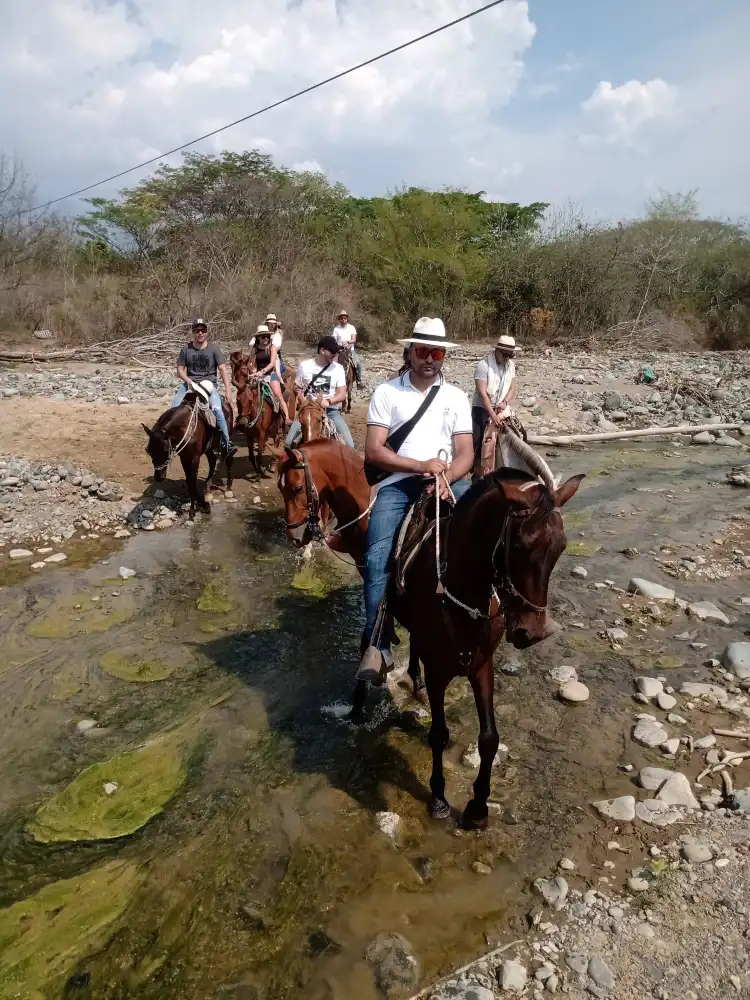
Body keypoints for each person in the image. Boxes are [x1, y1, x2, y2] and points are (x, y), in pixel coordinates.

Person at [359, 317, 473, 679]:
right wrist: (419, 465)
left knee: (486, 530)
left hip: (447, 482)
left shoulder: (456, 396)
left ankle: (488, 613)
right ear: (409, 352)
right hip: (399, 483)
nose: (429, 358)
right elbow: (374, 451)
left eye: (436, 352)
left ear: (443, 356)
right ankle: (378, 645)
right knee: (376, 557)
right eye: (422, 351)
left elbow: (466, 454)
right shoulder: (387, 392)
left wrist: (448, 476)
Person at [172, 318, 237, 457]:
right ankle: (171, 442)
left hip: (209, 385)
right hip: (190, 384)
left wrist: (228, 391)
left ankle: (227, 442)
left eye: (203, 330)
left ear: (207, 332)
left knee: (217, 410)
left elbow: (223, 369)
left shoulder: (214, 349)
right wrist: (188, 380)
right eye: (197, 330)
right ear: (193, 332)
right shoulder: (186, 349)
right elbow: (180, 369)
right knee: (174, 408)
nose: (200, 333)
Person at [285, 335, 355, 448]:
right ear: (322, 350)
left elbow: (342, 394)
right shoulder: (305, 366)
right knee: (288, 443)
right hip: (308, 409)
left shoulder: (338, 369)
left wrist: (329, 401)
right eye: (332, 352)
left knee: (350, 446)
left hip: (331, 411)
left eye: (336, 352)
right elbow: (297, 388)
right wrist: (300, 395)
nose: (335, 354)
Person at [472, 335, 519, 457]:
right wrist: (493, 416)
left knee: (516, 436)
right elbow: (483, 395)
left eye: (510, 355)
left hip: (500, 407)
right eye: (505, 354)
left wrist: (505, 403)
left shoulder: (511, 366)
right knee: (476, 442)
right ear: (497, 351)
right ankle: (472, 469)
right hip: (482, 409)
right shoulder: (484, 365)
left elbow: (512, 389)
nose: (507, 358)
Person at [249, 324, 290, 423]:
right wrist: (253, 371)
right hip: (259, 375)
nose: (266, 338)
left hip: (271, 374)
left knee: (278, 395)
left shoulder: (272, 347)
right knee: (248, 394)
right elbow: (251, 362)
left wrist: (261, 372)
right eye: (263, 336)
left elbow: (272, 364)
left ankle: (287, 419)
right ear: (258, 338)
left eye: (268, 336)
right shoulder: (254, 348)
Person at [332, 309, 362, 388]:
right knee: (331, 363)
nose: (343, 320)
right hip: (339, 350)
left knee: (358, 363)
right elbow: (334, 340)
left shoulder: (352, 327)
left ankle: (359, 382)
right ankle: (330, 380)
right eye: (341, 318)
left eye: (345, 318)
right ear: (339, 319)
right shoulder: (336, 329)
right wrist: (338, 344)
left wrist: (348, 342)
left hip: (349, 350)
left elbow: (354, 339)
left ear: (347, 319)